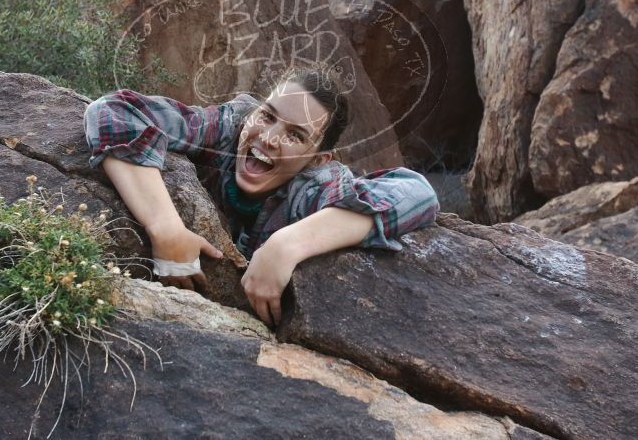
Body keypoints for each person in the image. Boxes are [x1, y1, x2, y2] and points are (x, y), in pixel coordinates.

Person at [83, 67, 439, 327]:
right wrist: (165, 228)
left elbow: (417, 194)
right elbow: (112, 111)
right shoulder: (229, 127)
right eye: (267, 116)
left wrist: (287, 244)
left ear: (316, 159)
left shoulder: (315, 186)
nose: (269, 138)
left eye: (295, 135)